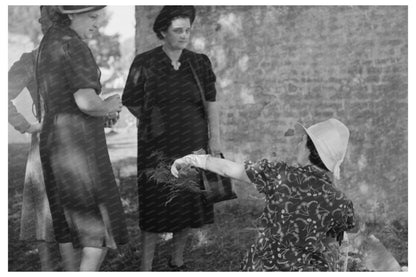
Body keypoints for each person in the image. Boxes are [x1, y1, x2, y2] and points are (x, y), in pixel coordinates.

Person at [171, 118, 355, 271]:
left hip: (263, 266)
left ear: (310, 149)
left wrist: (193, 159)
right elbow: (336, 242)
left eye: (302, 141)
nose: (298, 144)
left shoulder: (280, 175)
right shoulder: (341, 202)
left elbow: (229, 169)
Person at [122, 6, 221, 271]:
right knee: (154, 205)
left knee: (187, 204)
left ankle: (177, 260)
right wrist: (151, 119)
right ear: (163, 31)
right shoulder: (145, 62)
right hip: (156, 147)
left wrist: (216, 139)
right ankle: (145, 267)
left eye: (188, 30)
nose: (184, 35)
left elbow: (211, 103)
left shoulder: (199, 62)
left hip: (192, 143)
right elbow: (130, 101)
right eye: (178, 30)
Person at [36, 6, 128, 271]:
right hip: (78, 144)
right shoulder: (73, 45)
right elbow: (86, 102)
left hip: (53, 139)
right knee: (98, 225)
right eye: (92, 16)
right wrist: (108, 105)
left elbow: (65, 98)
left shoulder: (49, 41)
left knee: (67, 222)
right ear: (72, 14)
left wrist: (100, 112)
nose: (97, 23)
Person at [8, 6, 60, 271]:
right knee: (44, 211)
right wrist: (26, 125)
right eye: (51, 20)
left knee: (80, 210)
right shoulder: (31, 59)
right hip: (45, 143)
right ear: (43, 23)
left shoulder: (79, 57)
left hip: (81, 144)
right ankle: (47, 270)